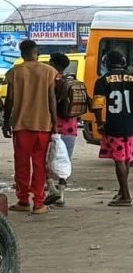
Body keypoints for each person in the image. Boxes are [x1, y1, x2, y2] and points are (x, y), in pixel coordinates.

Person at [2, 39, 58, 214]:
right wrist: (55, 123)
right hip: (43, 125)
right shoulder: (49, 71)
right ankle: (39, 203)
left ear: (21, 53)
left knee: (22, 164)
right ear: (37, 52)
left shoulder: (14, 72)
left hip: (21, 125)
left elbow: (9, 100)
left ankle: (23, 200)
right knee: (40, 164)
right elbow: (52, 99)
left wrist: (6, 122)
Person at [92, 50, 133, 207]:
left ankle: (126, 195)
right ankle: (122, 191)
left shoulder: (103, 80)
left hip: (114, 125)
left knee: (119, 160)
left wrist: (100, 123)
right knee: (126, 158)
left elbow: (97, 105)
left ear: (107, 63)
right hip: (131, 125)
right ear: (123, 61)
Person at [44, 53, 79, 207]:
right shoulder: (71, 81)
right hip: (71, 127)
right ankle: (62, 196)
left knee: (46, 160)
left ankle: (51, 189)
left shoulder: (50, 80)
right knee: (65, 162)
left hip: (52, 127)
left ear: (52, 63)